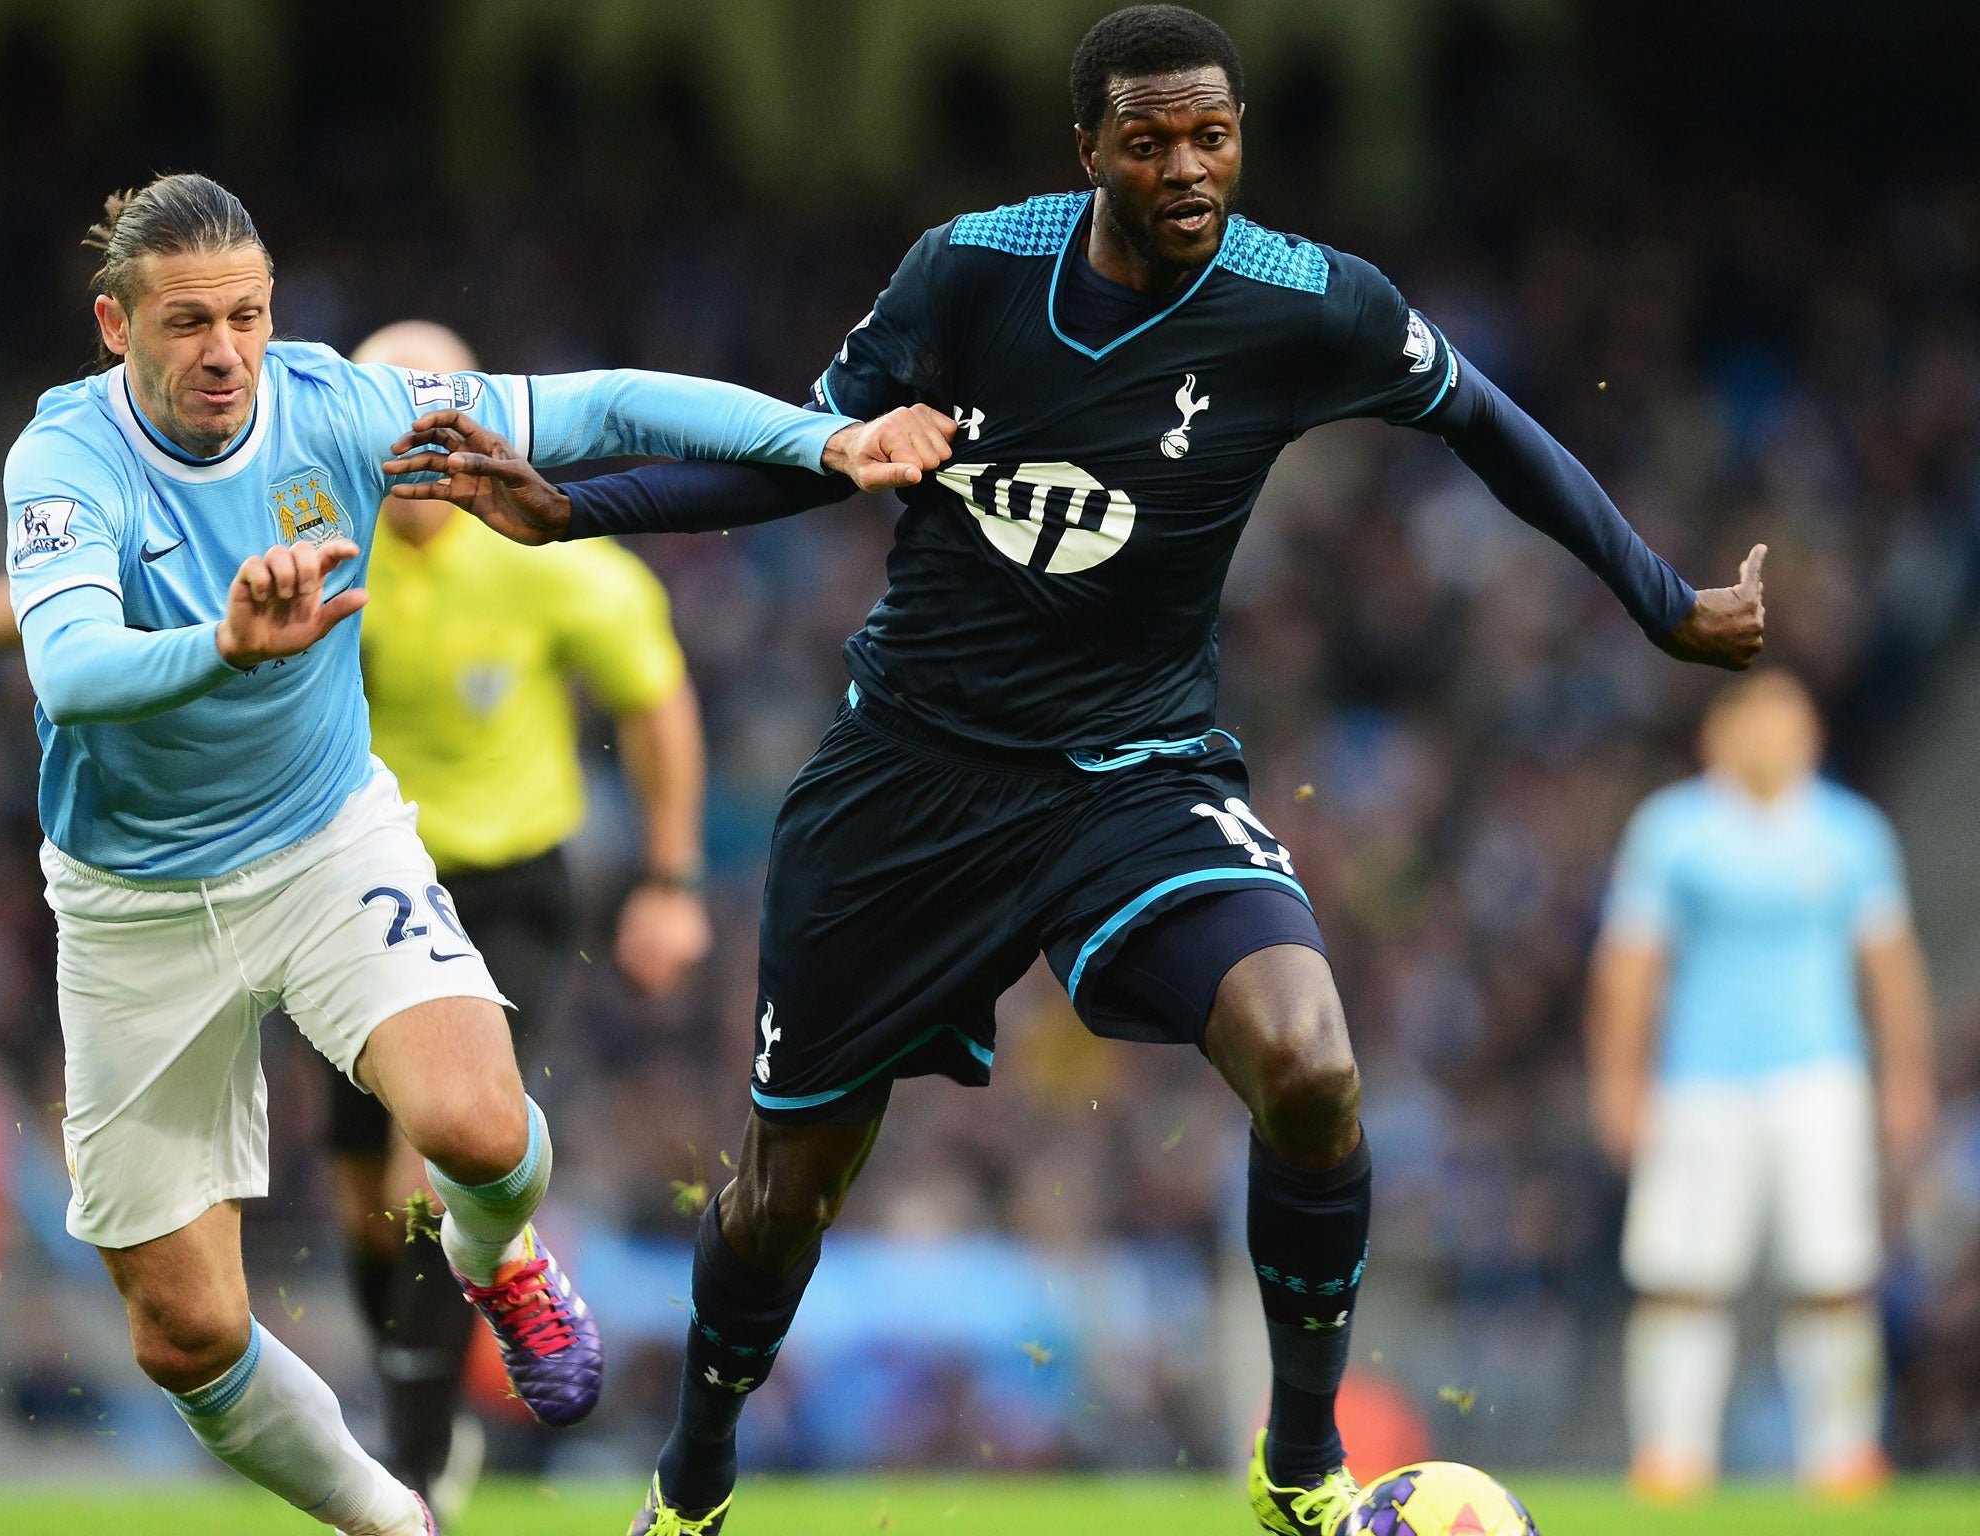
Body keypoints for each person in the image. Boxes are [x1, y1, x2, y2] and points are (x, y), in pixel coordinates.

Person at [390, 8, 1766, 1532]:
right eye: (1153, 139)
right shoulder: (970, 271)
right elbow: (806, 450)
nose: (1190, 168)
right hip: (909, 778)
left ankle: (1300, 1467)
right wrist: (575, 508)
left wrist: (1663, 598)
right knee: (788, 1196)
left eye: (1216, 135)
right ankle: (698, 1480)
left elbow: (1491, 429)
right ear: (1092, 150)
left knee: (1312, 1065)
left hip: (1138, 772)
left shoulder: (1309, 303)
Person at [4, 171, 946, 1536]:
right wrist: (220, 643)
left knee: (479, 1131)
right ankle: (396, 1519)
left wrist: (825, 441)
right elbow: (73, 667)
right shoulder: (66, 459)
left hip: (325, 841)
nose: (224, 353)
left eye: (248, 319)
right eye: (188, 323)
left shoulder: (337, 407)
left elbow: (603, 404)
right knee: (183, 1333)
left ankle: (497, 1255)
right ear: (115, 326)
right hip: (132, 905)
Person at [331, 319, 712, 1523]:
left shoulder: (543, 546)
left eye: (432, 427)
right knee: (361, 1201)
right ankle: (422, 1423)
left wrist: (670, 878)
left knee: (430, 1165)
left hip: (504, 891)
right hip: (345, 887)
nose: (413, 459)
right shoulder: (317, 544)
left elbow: (652, 700)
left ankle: (412, 1474)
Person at [1588, 670, 1936, 1500]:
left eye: (1789, 722)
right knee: (1682, 1278)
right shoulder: (1673, 832)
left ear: (1811, 737)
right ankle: (1671, 1459)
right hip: (1700, 1084)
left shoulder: (1852, 834)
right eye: (1756, 721)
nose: (1773, 738)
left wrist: (1907, 1080)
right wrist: (1619, 1081)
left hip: (1820, 1079)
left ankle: (1843, 1455)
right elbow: (1630, 967)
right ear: (1719, 735)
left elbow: (1890, 968)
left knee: (1834, 1277)